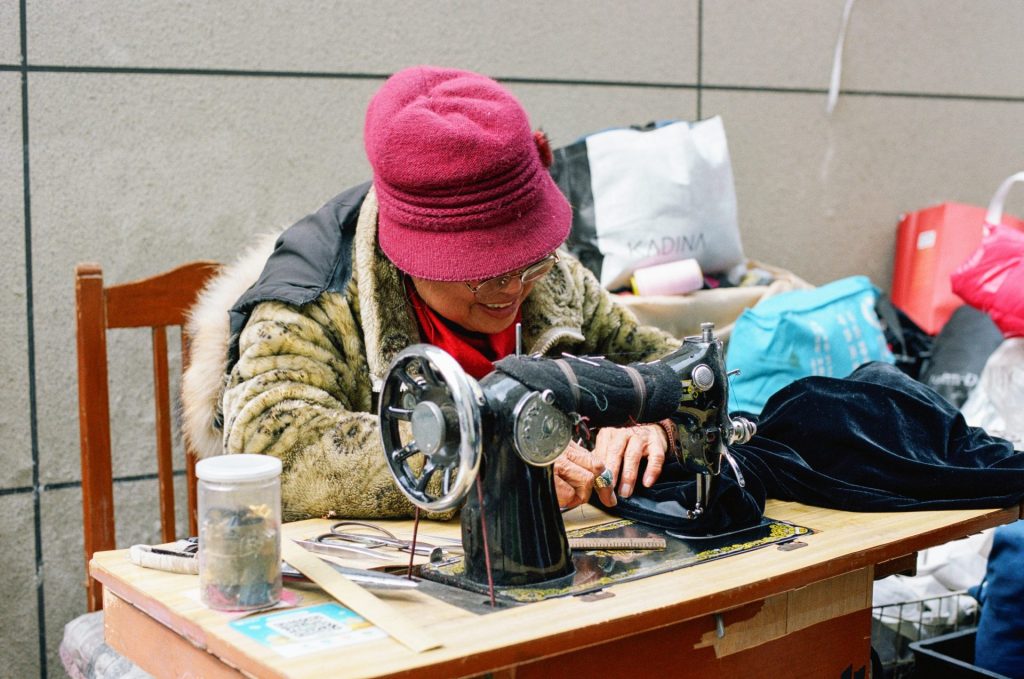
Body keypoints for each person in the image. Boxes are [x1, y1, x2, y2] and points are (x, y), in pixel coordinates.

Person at [182, 66, 682, 522]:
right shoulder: (312, 299)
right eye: (482, 272)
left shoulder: (549, 277)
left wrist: (656, 425)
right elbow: (276, 447)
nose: (512, 287)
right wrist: (482, 464)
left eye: (530, 259)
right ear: (408, 252)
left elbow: (670, 366)